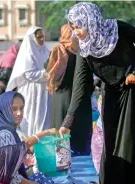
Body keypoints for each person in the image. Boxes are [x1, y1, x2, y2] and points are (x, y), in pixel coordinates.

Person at [59, 2, 135, 184]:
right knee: (110, 142)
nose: (76, 32)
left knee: (134, 138)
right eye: (73, 27)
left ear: (90, 21)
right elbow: (80, 87)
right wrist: (68, 122)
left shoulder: (117, 28)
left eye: (78, 26)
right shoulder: (84, 49)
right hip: (113, 92)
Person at [0, 91, 56, 183]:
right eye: (14, 109)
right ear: (3, 110)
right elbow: (11, 178)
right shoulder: (4, 133)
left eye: (21, 108)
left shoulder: (5, 128)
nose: (19, 113)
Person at [47, 24, 91, 154]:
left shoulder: (57, 51)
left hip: (58, 101)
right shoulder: (81, 53)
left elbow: (49, 74)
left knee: (61, 140)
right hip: (78, 100)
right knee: (79, 143)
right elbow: (87, 80)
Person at [6, 26, 50, 136]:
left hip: (44, 90)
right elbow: (29, 74)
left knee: (44, 117)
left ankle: (43, 142)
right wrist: (46, 74)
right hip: (31, 91)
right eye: (39, 37)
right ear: (32, 38)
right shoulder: (27, 53)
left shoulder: (46, 50)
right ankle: (30, 142)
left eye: (43, 36)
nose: (42, 39)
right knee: (31, 115)